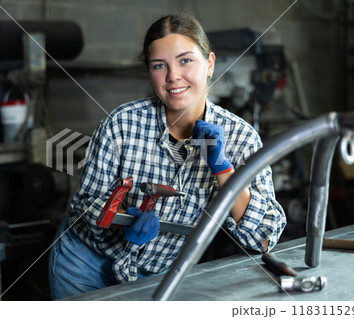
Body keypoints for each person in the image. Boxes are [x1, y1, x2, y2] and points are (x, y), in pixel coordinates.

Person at [48, 13, 286, 300]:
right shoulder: (121, 124)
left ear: (209, 64)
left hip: (162, 275)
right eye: (160, 65)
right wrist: (122, 222)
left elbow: (265, 236)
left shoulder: (242, 139)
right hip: (85, 267)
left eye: (185, 60)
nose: (173, 76)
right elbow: (85, 206)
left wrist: (224, 170)